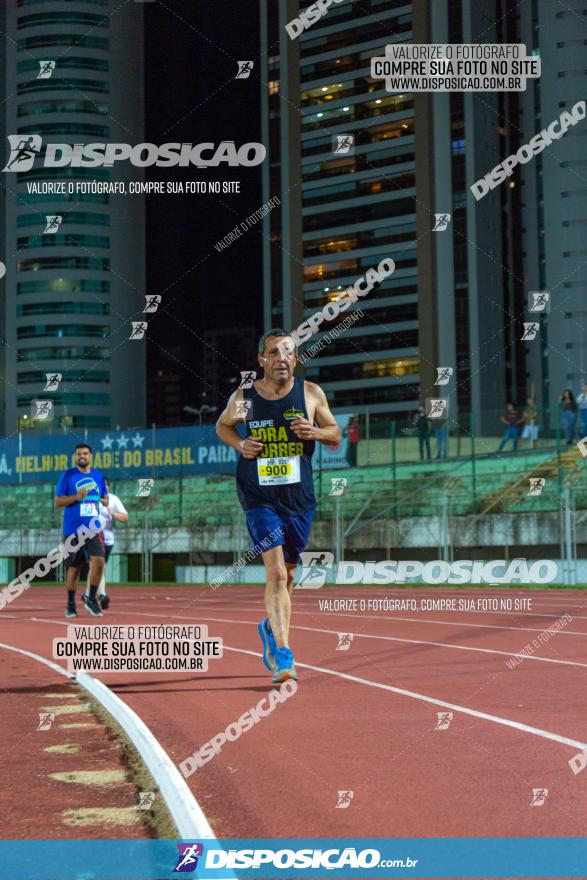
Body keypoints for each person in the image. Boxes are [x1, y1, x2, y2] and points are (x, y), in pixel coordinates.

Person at [216, 329, 341, 683]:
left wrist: (313, 432)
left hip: (299, 499)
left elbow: (334, 434)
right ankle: (284, 655)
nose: (281, 358)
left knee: (288, 577)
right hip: (259, 497)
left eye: (287, 352)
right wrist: (241, 445)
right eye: (273, 352)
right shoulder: (244, 398)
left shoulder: (311, 393)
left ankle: (271, 628)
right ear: (262, 361)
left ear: (295, 359)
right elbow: (222, 427)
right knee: (274, 573)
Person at [55, 443, 108, 618]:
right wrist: (76, 497)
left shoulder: (98, 476)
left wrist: (105, 500)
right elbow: (58, 501)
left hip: (92, 528)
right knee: (75, 567)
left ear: (91, 456)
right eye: (79, 454)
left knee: (99, 561)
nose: (82, 456)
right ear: (75, 456)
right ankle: (70, 603)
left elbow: (104, 496)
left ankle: (91, 598)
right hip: (73, 529)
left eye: (85, 453)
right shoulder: (68, 475)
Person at [81, 479, 128, 612]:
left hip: (108, 540)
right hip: (92, 538)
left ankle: (87, 595)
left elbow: (125, 517)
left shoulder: (113, 499)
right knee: (95, 565)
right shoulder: (89, 499)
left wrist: (114, 513)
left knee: (99, 568)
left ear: (108, 486)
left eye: (105, 485)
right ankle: (101, 595)